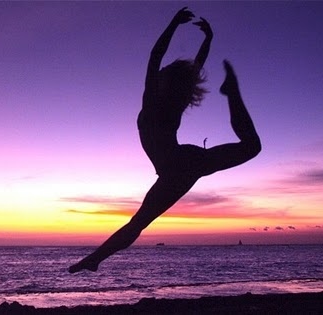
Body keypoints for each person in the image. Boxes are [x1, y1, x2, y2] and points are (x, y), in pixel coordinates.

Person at [69, 7, 261, 273]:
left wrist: (174, 24)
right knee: (252, 147)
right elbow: (191, 66)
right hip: (183, 166)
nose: (158, 74)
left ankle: (94, 260)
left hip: (178, 165)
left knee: (138, 223)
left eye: (163, 73)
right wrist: (208, 40)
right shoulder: (174, 103)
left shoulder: (153, 103)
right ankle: (94, 260)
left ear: (165, 81)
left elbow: (155, 56)